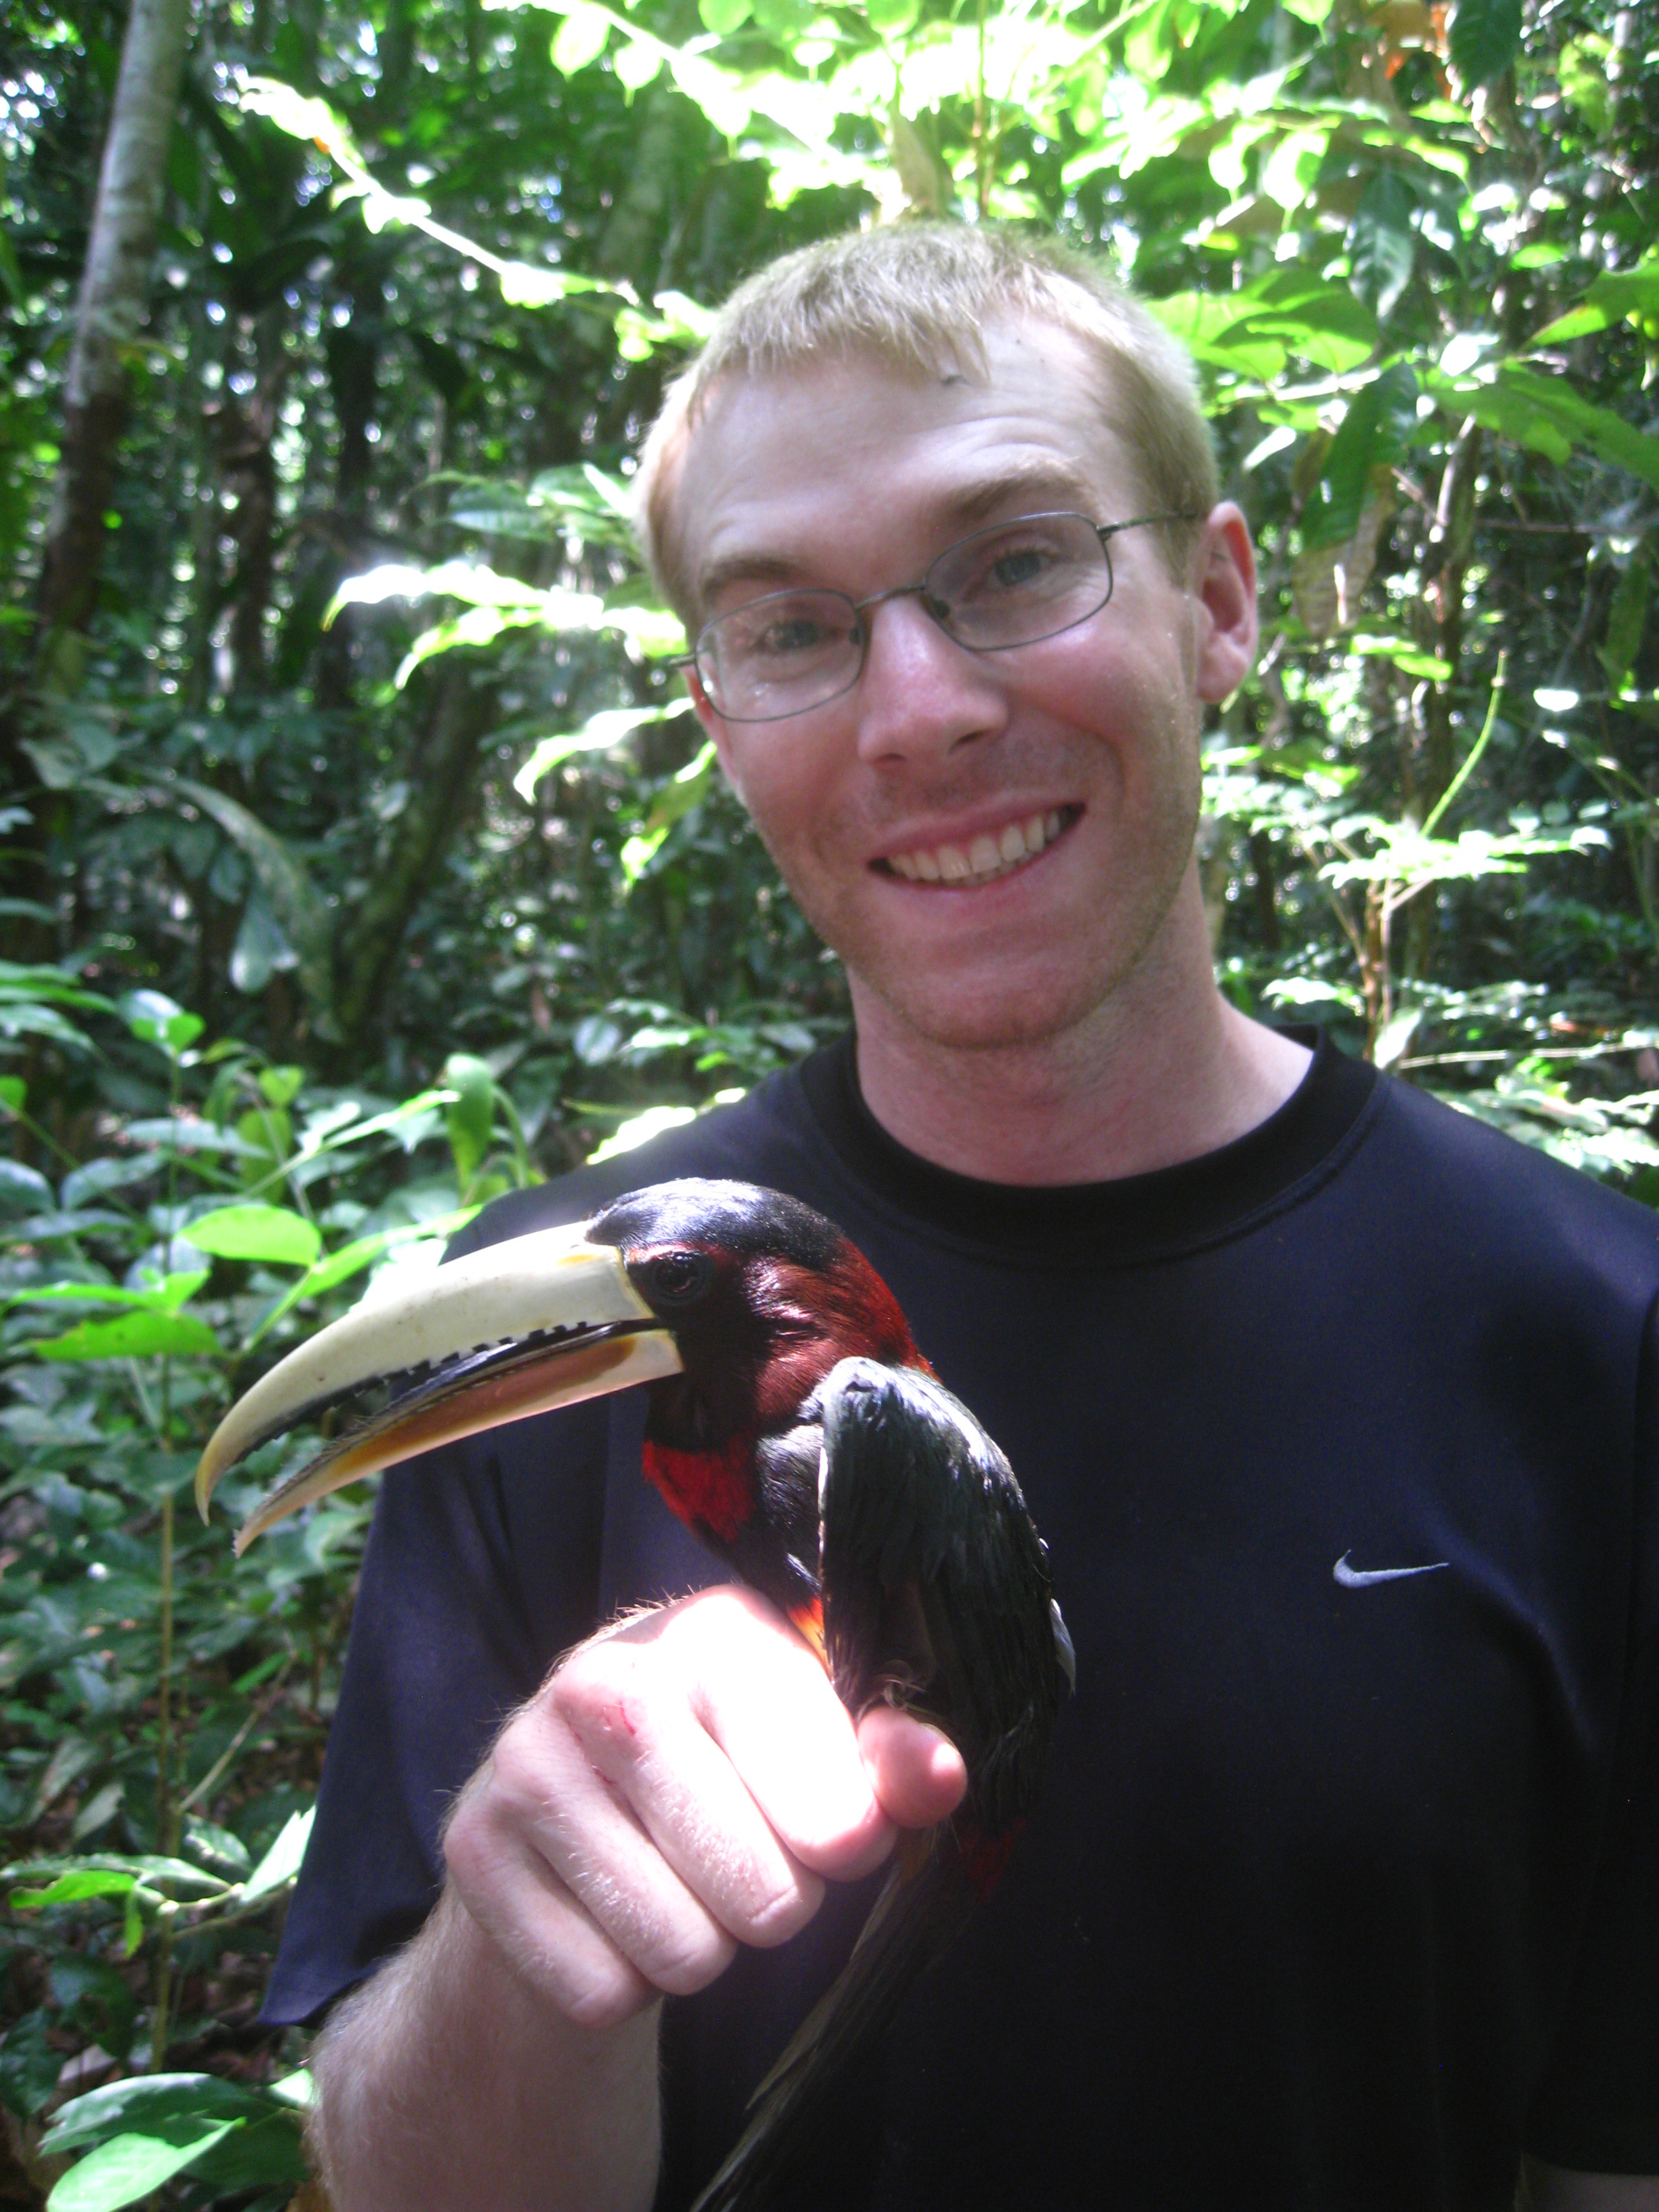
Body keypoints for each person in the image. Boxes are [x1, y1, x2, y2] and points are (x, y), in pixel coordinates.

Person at [262, 225, 1659, 2211]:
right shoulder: (571, 1320)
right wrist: (522, 1937)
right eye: (794, 627)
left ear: (1220, 600)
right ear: (721, 715)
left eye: (1013, 563)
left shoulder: (1592, 1338)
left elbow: (1604, 2155)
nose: (915, 711)